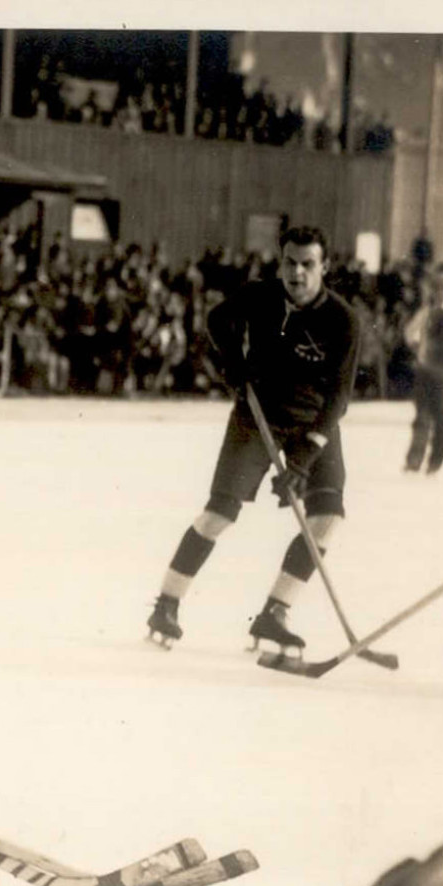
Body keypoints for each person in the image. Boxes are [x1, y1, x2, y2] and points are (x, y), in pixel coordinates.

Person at [147, 226, 359, 654]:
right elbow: (216, 320)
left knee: (327, 515)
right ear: (280, 262)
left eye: (307, 265)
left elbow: (340, 396)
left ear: (325, 267)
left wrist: (307, 451)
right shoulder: (260, 296)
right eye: (289, 263)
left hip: (314, 421)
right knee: (220, 512)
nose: (297, 274)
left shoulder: (343, 320)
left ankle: (274, 614)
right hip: (256, 416)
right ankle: (166, 605)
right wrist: (232, 365)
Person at [403, 263, 443, 474]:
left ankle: (435, 461)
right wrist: (417, 348)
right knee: (421, 416)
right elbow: (410, 332)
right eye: (436, 286)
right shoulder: (427, 311)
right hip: (425, 370)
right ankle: (414, 460)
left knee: (442, 419)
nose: (439, 291)